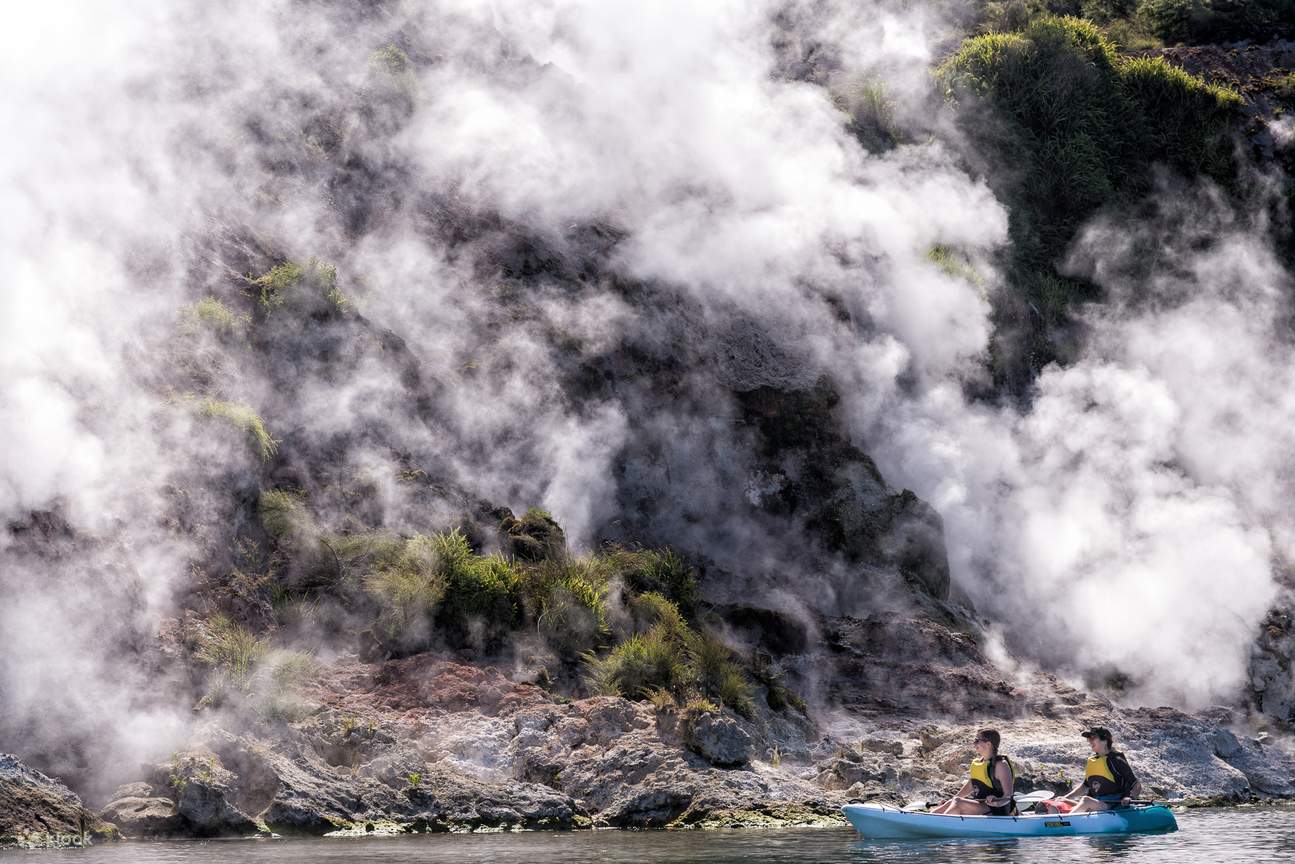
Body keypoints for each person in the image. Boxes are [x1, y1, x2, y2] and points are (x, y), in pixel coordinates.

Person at [1040, 727, 1143, 814]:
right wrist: (1065, 797)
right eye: (1088, 739)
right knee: (1059, 800)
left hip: (1112, 804)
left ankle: (1065, 821)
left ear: (1105, 740)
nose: (1089, 741)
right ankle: (1051, 823)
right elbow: (1085, 786)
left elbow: (1136, 784)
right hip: (1096, 803)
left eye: (1092, 738)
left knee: (1085, 800)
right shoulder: (1093, 760)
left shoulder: (1116, 759)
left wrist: (1130, 797)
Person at [931, 729, 1016, 816]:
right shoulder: (977, 763)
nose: (974, 744)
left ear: (988, 744)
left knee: (958, 802)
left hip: (997, 809)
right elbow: (971, 784)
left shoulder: (1001, 765)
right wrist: (952, 799)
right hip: (981, 805)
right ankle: (931, 819)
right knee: (953, 801)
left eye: (977, 740)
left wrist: (997, 802)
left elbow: (1008, 795)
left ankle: (940, 823)